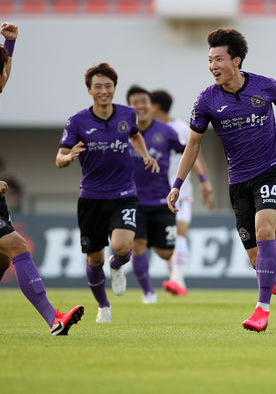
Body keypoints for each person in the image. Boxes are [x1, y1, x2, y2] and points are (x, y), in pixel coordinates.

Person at [0, 22, 84, 335]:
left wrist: (9, 43)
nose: (5, 78)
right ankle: (55, 319)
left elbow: (4, 72)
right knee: (18, 246)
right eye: (2, 73)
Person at [166, 28, 276, 332]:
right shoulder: (206, 100)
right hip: (238, 179)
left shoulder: (266, 86)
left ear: (236, 60)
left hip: (272, 168)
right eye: (210, 60)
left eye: (218, 59)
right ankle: (268, 269)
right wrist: (176, 185)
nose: (213, 65)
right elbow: (193, 145)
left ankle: (261, 310)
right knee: (255, 253)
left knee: (265, 230)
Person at [56, 64, 159, 322]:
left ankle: (117, 266)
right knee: (94, 258)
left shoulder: (127, 114)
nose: (104, 91)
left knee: (124, 246)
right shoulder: (77, 121)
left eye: (108, 86)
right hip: (91, 197)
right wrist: (68, 157)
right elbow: (59, 157)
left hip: (123, 192)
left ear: (114, 87)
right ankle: (104, 306)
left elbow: (135, 136)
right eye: (98, 86)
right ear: (89, 90)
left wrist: (145, 155)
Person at [150, 89, 215, 296]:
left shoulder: (181, 129)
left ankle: (178, 279)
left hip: (179, 190)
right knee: (163, 240)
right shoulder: (148, 131)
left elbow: (195, 155)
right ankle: (174, 280)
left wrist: (204, 182)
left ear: (156, 106)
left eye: (148, 104)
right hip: (154, 192)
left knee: (180, 232)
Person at [126, 85, 186, 303]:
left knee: (166, 253)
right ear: (129, 107)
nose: (141, 106)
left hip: (162, 200)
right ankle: (148, 293)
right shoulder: (123, 131)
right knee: (138, 245)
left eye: (145, 102)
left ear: (151, 106)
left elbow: (188, 151)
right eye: (136, 102)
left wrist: (203, 181)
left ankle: (147, 236)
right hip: (133, 200)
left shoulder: (167, 131)